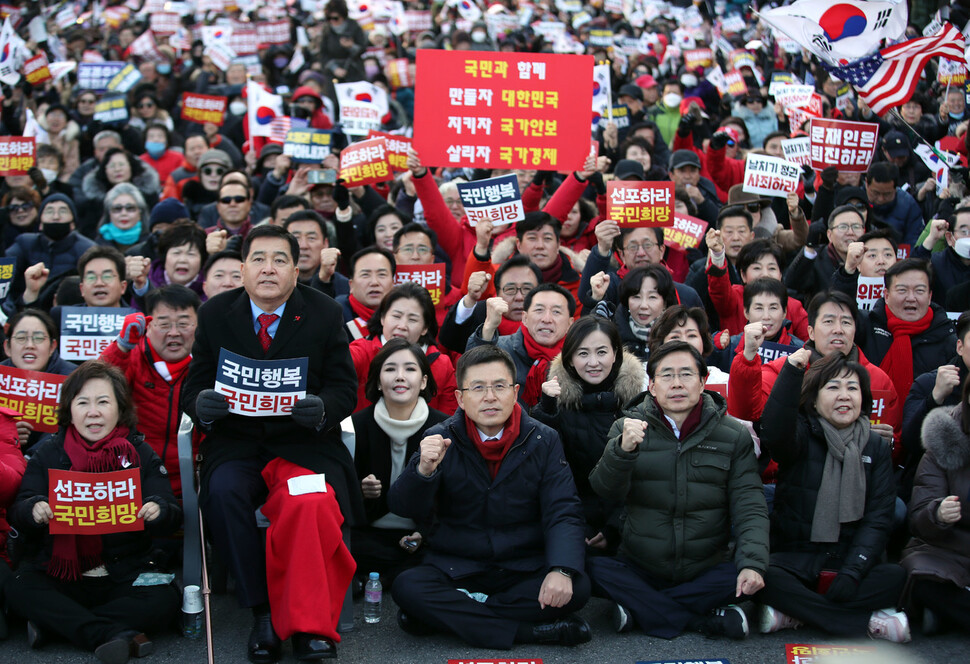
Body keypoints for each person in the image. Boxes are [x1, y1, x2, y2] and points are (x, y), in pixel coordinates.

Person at [182, 224, 362, 662]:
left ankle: (307, 625)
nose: (268, 269)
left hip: (302, 445)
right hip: (237, 445)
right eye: (258, 259)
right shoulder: (215, 314)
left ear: (296, 269)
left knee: (310, 503)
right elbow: (194, 385)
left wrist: (320, 409)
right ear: (242, 269)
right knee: (222, 495)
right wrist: (203, 404)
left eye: (280, 260)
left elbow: (345, 386)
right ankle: (262, 612)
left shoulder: (323, 313)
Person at [388, 345, 592, 649]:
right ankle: (531, 632)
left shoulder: (543, 439)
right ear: (460, 397)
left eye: (499, 386)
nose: (490, 397)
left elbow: (563, 509)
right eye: (478, 387)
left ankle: (448, 617)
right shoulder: (440, 436)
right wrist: (423, 470)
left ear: (515, 391)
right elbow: (404, 507)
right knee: (407, 586)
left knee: (577, 586)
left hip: (521, 565)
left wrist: (561, 568)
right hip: (456, 566)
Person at [587, 341, 769, 639]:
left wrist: (752, 565)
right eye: (667, 375)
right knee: (592, 568)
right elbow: (605, 491)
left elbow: (750, 504)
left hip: (706, 567)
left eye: (686, 374)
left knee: (754, 571)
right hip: (641, 565)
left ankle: (641, 610)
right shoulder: (627, 427)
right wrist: (622, 451)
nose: (677, 383)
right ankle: (702, 619)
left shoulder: (733, 434)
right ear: (653, 385)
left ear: (703, 381)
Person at [5, 361, 182, 662]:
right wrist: (33, 509)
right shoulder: (49, 452)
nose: (93, 412)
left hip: (126, 571)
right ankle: (112, 634)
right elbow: (20, 507)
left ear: (120, 408)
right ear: (69, 409)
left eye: (103, 402)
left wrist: (158, 509)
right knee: (19, 586)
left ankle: (59, 625)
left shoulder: (138, 452)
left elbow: (173, 512)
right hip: (61, 573)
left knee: (165, 596)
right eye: (83, 402)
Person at [757, 351, 910, 642]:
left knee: (896, 577)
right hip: (797, 557)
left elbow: (879, 517)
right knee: (764, 577)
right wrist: (791, 372)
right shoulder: (800, 435)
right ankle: (864, 622)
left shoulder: (876, 446)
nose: (844, 395)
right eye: (833, 387)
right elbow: (774, 432)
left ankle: (796, 614)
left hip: (851, 560)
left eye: (852, 388)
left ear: (863, 398)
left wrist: (853, 571)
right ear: (814, 400)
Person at [531, 316, 644, 554]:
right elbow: (549, 475)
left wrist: (615, 526)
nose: (593, 362)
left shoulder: (639, 405)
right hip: (575, 522)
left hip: (631, 524)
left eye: (601, 352)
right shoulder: (556, 406)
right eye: (583, 354)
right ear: (570, 360)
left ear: (615, 354)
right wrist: (547, 411)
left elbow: (646, 481)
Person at [350, 338, 448, 588]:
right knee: (337, 542)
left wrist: (423, 534)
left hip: (420, 535)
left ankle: (378, 578)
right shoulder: (355, 426)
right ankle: (391, 577)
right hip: (368, 533)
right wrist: (359, 490)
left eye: (410, 369)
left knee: (445, 550)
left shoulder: (445, 430)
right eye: (390, 369)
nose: (400, 376)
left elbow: (453, 496)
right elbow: (340, 496)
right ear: (378, 381)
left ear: (424, 381)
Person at [100, 286, 200, 498]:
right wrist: (121, 347)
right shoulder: (133, 357)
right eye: (163, 324)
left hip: (194, 483)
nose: (174, 332)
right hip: (135, 479)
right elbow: (97, 387)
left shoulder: (208, 364)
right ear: (149, 325)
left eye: (183, 323)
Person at [901, 380, 970, 633]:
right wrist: (938, 513)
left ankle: (948, 615)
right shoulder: (945, 438)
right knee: (921, 579)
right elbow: (918, 516)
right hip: (948, 548)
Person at [856, 258, 957, 404]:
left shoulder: (947, 339)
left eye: (919, 291)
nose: (911, 298)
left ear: (929, 297)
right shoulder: (866, 326)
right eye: (902, 290)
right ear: (886, 295)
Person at [350, 282, 458, 415]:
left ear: (425, 328)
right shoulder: (361, 351)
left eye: (412, 319)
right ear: (383, 318)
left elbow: (448, 419)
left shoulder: (442, 365)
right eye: (396, 316)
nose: (402, 326)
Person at [467, 283, 576, 406]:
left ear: (570, 324)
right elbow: (470, 371)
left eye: (556, 312)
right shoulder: (499, 349)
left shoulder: (577, 359)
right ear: (524, 318)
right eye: (539, 310)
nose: (546, 319)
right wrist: (488, 327)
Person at [2, 194, 96, 316]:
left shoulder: (87, 249)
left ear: (73, 223)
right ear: (40, 224)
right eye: (49, 211)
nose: (55, 217)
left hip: (70, 314)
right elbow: (4, 273)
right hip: (24, 309)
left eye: (63, 211)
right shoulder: (24, 243)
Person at [2, 310, 77, 452]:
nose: (29, 345)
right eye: (21, 338)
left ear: (52, 347)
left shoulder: (73, 378)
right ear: (7, 347)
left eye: (38, 338)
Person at [439, 255, 541, 354]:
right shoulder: (483, 312)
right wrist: (470, 298)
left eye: (527, 289)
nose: (519, 297)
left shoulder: (549, 318)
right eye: (510, 289)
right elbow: (450, 340)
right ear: (497, 293)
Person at [338, 247, 396, 341]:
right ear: (351, 285)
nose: (374, 282)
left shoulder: (402, 316)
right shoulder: (336, 317)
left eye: (382, 274)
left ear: (393, 284)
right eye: (365, 274)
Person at [913, 210, 970, 304]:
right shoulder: (937, 263)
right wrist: (932, 238)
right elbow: (912, 274)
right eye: (964, 232)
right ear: (949, 238)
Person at [96, 184, 150, 253]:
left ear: (140, 212)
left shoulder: (151, 245)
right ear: (109, 213)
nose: (123, 213)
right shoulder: (97, 246)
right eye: (117, 208)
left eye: (130, 208)